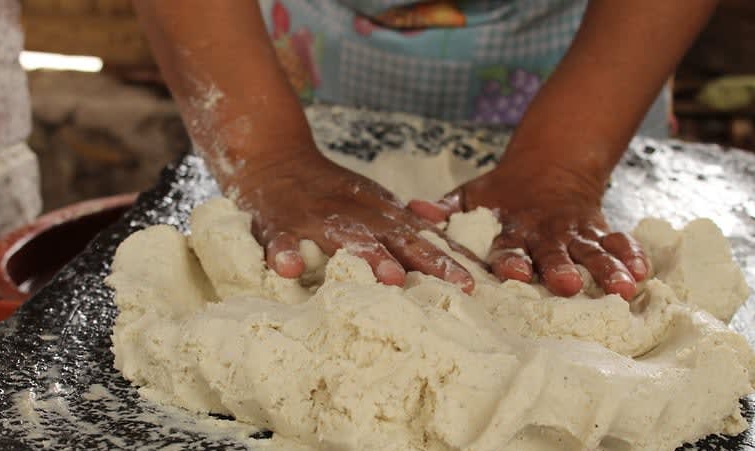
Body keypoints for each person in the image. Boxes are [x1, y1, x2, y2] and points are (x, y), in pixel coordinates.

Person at [132, 0, 718, 300]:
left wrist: (565, 165)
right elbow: (261, 151)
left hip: (596, 49)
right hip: (300, 54)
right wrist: (266, 156)